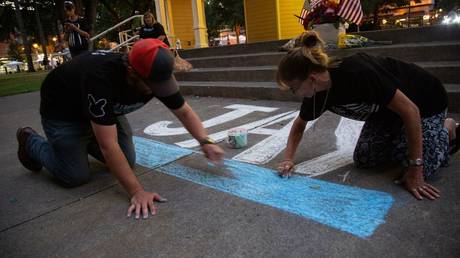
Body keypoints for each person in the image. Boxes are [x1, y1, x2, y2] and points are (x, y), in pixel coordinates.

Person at [16, 39, 224, 218]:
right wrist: (137, 191)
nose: (158, 91)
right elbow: (108, 145)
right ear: (131, 72)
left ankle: (85, 141)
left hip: (101, 111)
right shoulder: (100, 78)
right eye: (151, 84)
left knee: (127, 160)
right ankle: (30, 141)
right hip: (64, 112)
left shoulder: (155, 75)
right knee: (74, 176)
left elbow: (184, 111)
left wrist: (205, 141)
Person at [276, 31, 459, 201]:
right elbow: (299, 125)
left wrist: (415, 168)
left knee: (421, 167)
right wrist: (288, 159)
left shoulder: (357, 72)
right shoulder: (315, 94)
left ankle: (447, 127)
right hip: (387, 114)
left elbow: (410, 111)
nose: (295, 94)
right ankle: (405, 135)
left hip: (425, 101)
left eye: (294, 88)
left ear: (312, 79)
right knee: (365, 159)